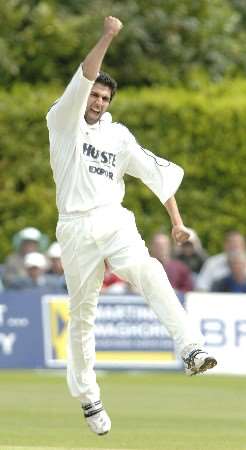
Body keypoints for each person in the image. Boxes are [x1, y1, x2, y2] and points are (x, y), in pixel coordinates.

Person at [46, 16, 217, 436]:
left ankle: (191, 348)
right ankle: (89, 397)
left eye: (105, 97)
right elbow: (86, 74)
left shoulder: (118, 135)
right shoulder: (63, 120)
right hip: (74, 227)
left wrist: (177, 223)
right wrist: (107, 36)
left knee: (148, 271)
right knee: (83, 314)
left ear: (110, 102)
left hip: (112, 218)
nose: (98, 101)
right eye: (95, 94)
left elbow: (156, 174)